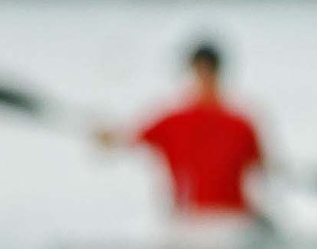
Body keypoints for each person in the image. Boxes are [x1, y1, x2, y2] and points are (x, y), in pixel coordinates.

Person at [95, 40, 267, 223]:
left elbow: (118, 140)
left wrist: (107, 137)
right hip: (208, 219)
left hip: (210, 219)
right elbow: (263, 167)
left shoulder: (238, 124)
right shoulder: (240, 122)